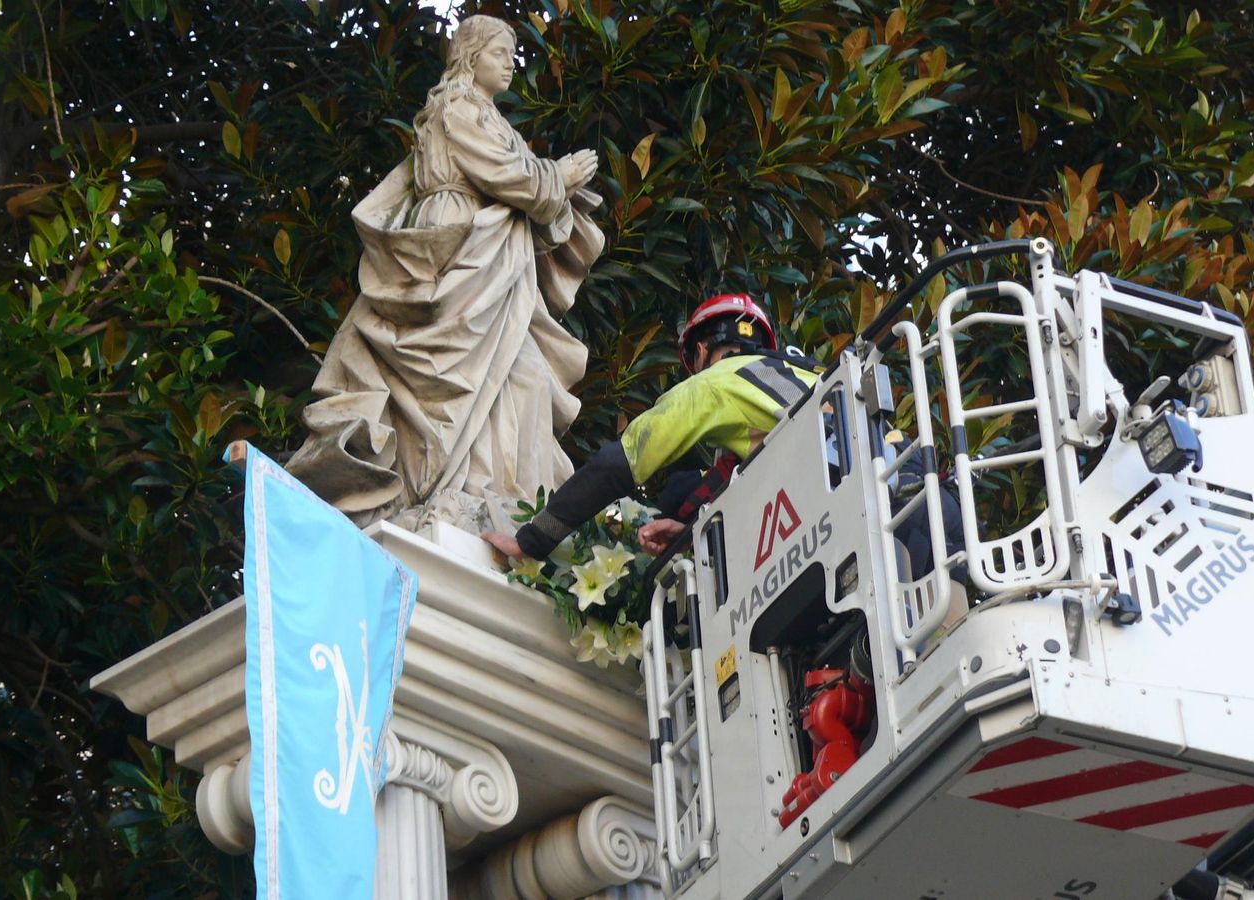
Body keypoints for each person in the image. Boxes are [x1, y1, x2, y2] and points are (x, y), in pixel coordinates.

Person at [287, 15, 604, 530]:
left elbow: (525, 193)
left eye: (512, 54)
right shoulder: (456, 107)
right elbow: (505, 175)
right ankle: (454, 490)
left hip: (497, 257)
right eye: (499, 53)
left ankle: (509, 498)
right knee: (450, 376)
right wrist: (558, 177)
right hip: (456, 247)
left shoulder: (494, 119)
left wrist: (556, 190)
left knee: (522, 376)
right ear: (471, 57)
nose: (510, 64)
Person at [482, 295, 965, 574]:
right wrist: (693, 530)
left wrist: (534, 540)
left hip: (864, 524)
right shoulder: (817, 377)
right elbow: (773, 481)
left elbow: (620, 463)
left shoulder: (716, 383)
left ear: (700, 352)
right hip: (928, 502)